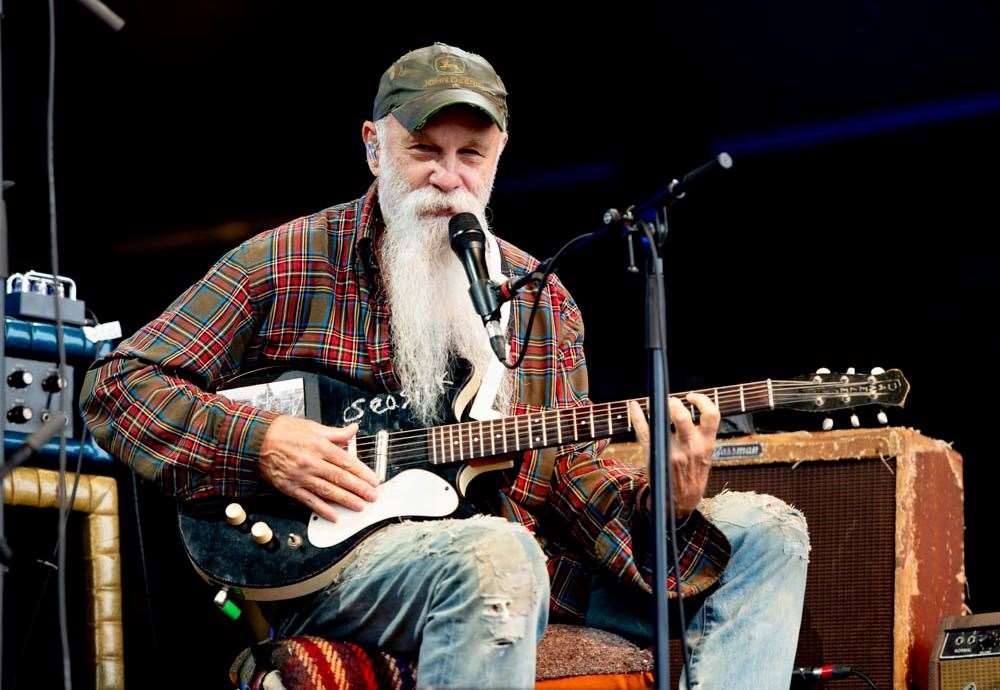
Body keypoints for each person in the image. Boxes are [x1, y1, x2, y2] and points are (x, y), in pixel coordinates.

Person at [80, 42, 810, 689]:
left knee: (770, 533)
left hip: (520, 565)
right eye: (425, 150)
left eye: (472, 156)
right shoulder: (288, 259)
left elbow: (577, 487)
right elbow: (117, 387)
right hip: (331, 566)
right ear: (373, 147)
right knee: (500, 552)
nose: (449, 178)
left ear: (499, 158)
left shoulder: (541, 300)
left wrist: (669, 505)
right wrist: (264, 443)